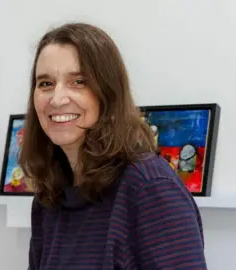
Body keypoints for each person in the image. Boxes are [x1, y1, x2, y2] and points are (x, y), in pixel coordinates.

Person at [19, 22, 207, 270]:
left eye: (79, 81)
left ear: (108, 93)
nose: (57, 99)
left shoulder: (150, 187)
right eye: (45, 83)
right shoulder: (49, 196)